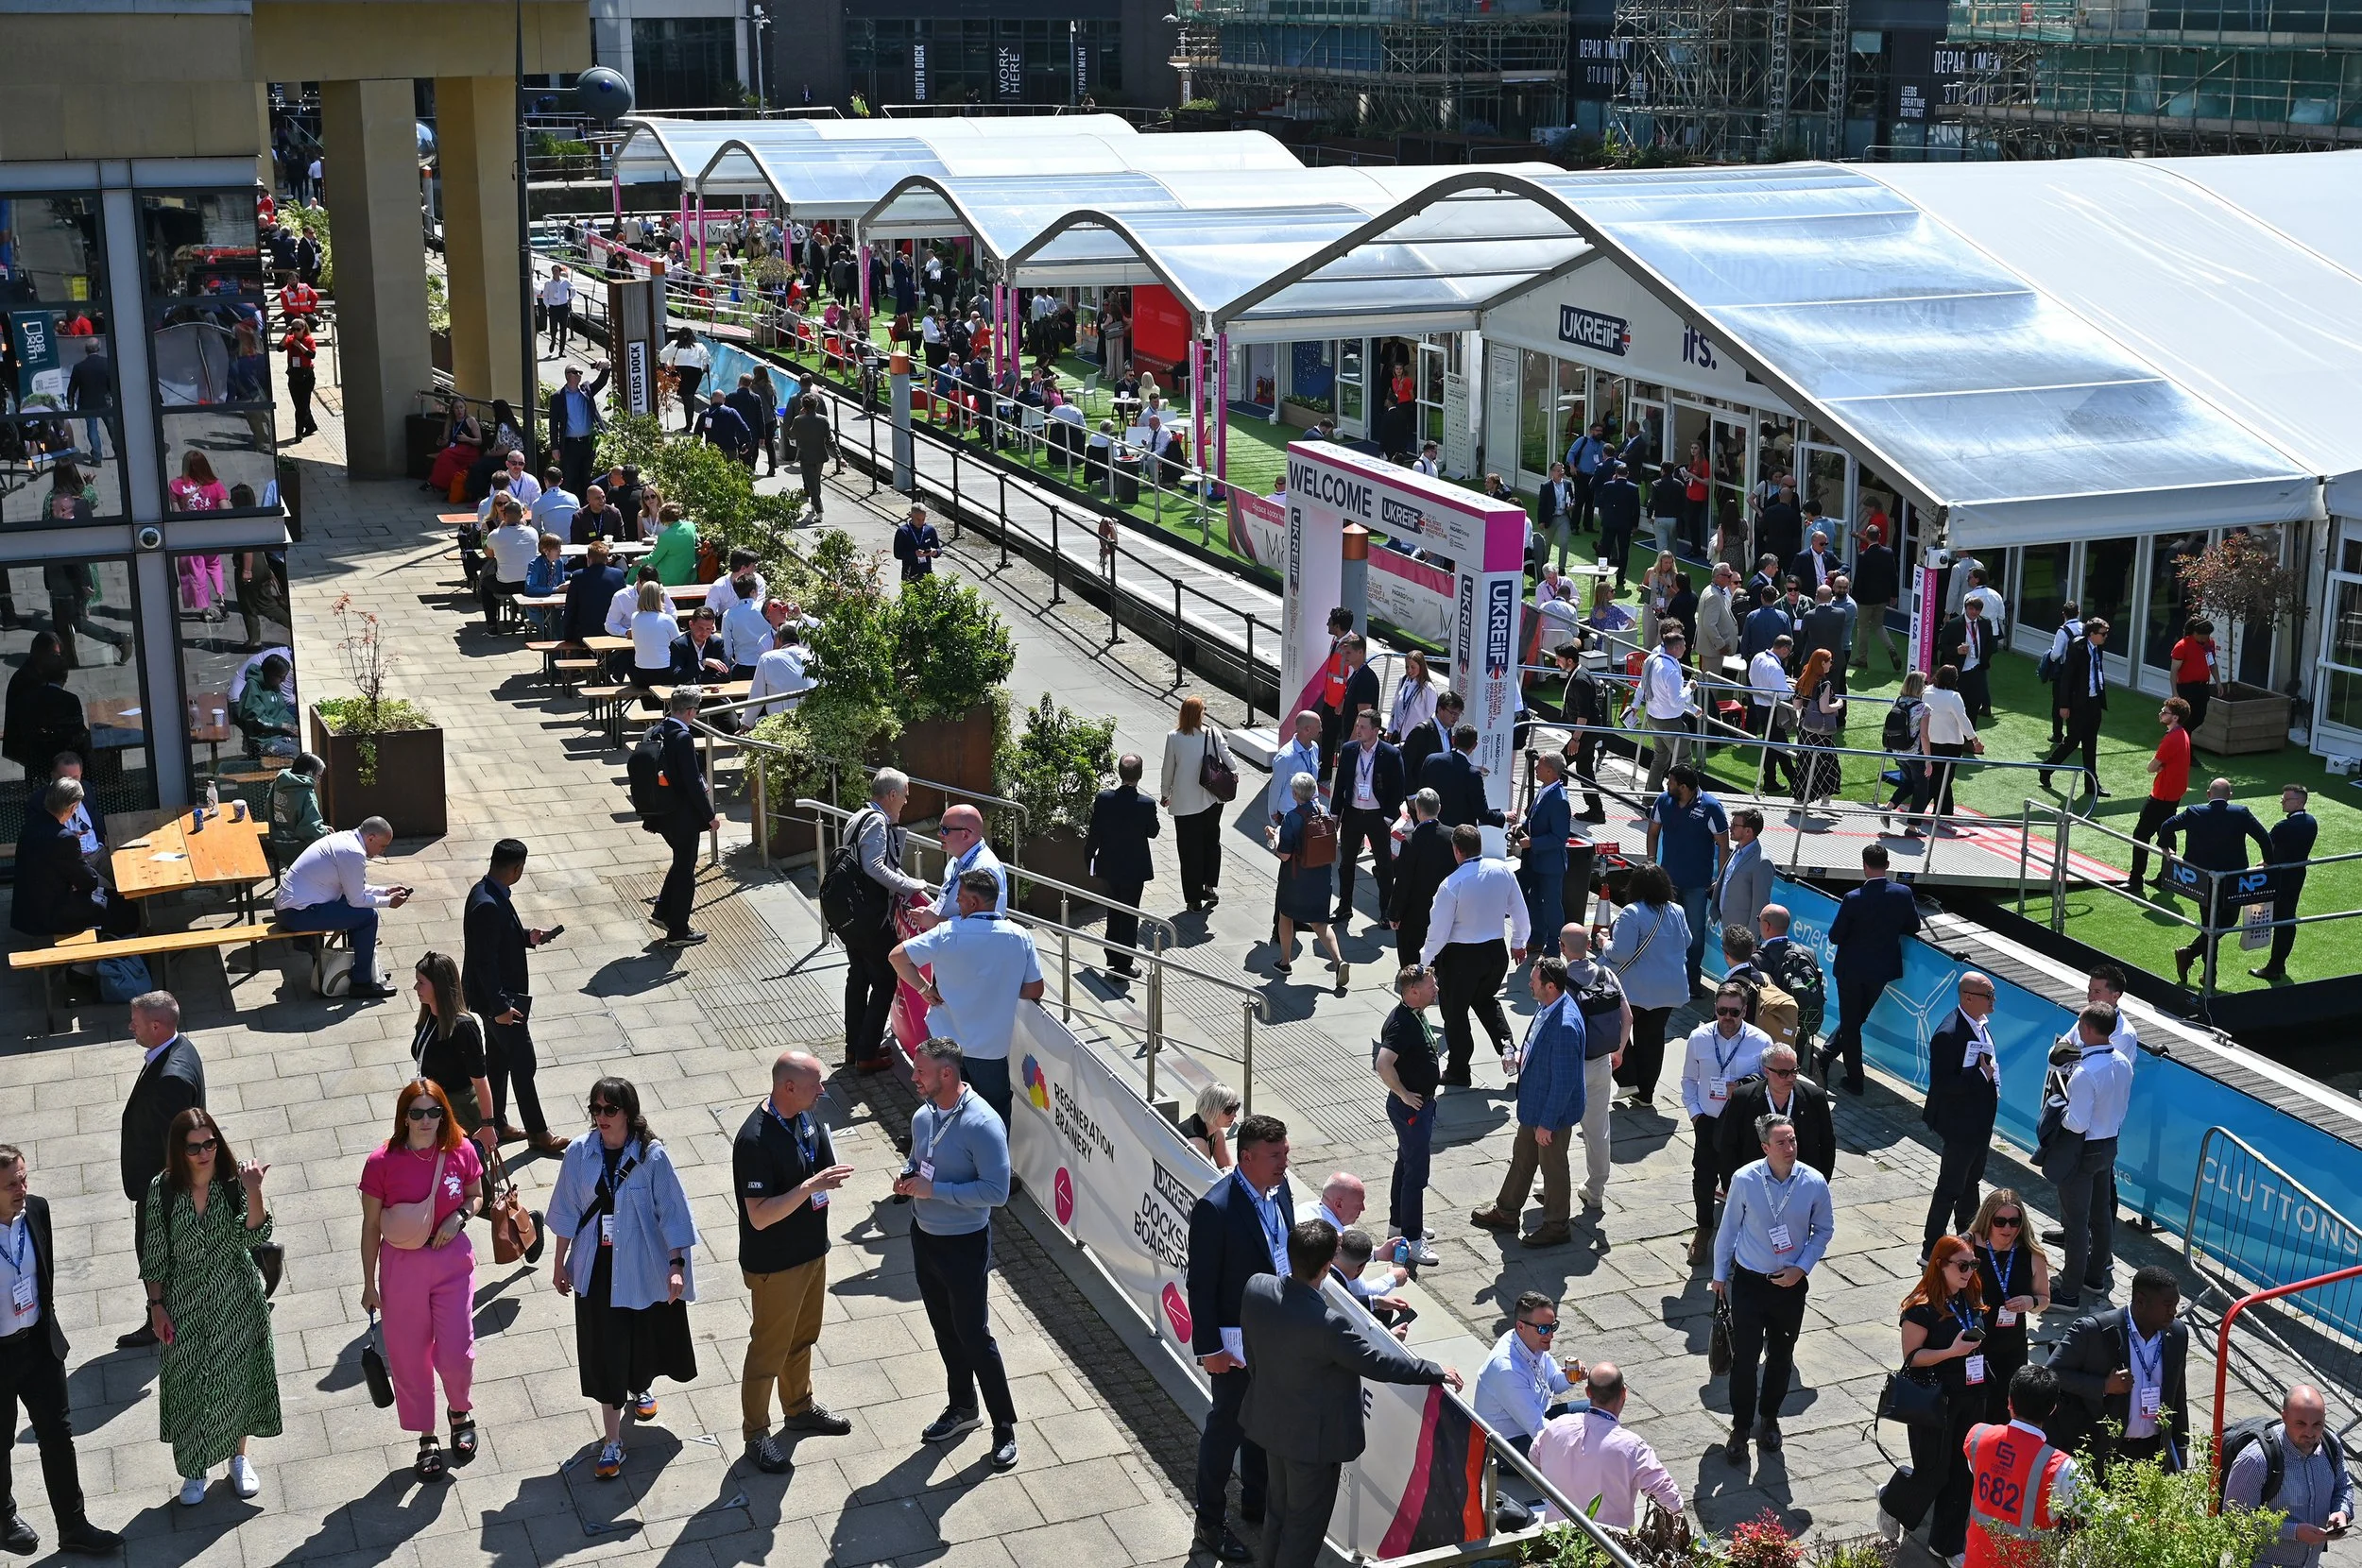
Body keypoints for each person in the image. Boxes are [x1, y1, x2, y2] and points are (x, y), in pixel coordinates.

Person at [1239, 1220, 1460, 1568]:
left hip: (1270, 1424)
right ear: (1327, 1268)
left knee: (1277, 1515)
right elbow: (1378, 1364)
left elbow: (1252, 1353)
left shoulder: (1257, 1287)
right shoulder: (1328, 1325)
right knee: (1302, 1530)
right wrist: (1433, 1370)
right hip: (1312, 1446)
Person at [546, 1077, 699, 1482]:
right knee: (606, 1350)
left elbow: (674, 1213)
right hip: (596, 1268)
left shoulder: (652, 1156)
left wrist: (677, 1267)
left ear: (628, 1113)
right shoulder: (579, 1153)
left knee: (641, 1336)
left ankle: (640, 1386)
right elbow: (565, 1211)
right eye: (595, 1109)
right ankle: (613, 1441)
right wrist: (560, 1263)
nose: (601, 1117)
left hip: (642, 1265)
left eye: (609, 1110)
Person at [893, 1039, 1021, 1472]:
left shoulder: (982, 1124)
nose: (914, 1077)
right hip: (924, 1236)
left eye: (921, 1071)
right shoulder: (924, 1116)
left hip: (964, 1244)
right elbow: (920, 1162)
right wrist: (910, 1179)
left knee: (974, 1336)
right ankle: (962, 1406)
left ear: (946, 1074)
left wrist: (935, 1190)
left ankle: (1004, 1426)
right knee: (944, 1329)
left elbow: (996, 1192)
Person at [140, 1109, 280, 1505]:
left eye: (210, 1143)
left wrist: (254, 1190)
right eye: (194, 1146)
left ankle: (239, 1458)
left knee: (237, 1378)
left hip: (235, 1299)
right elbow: (154, 1253)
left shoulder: (232, 1183)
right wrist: (156, 1305)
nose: (204, 1152)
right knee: (186, 1385)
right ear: (179, 1150)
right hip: (182, 1302)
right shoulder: (164, 1189)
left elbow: (256, 1235)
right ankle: (193, 1470)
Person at [735, 1051, 858, 1474]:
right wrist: (809, 1187)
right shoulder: (754, 1139)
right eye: (814, 1084)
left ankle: (799, 1408)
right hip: (776, 1263)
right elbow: (760, 1214)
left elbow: (820, 1165)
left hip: (811, 1251)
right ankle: (756, 1434)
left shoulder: (807, 1118)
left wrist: (824, 1181)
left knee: (803, 1337)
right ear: (788, 1087)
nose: (823, 1090)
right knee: (768, 1350)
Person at [357, 1080, 484, 1481]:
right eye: (417, 1113)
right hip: (402, 1267)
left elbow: (476, 1194)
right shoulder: (382, 1162)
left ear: (444, 1114)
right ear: (404, 1117)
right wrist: (368, 1285)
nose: (426, 1121)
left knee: (457, 1351)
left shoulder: (460, 1149)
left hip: (451, 1262)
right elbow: (370, 1227)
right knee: (410, 1358)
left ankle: (459, 1410)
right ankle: (426, 1436)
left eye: (434, 1112)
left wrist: (460, 1216)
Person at [0, 1145, 120, 1554]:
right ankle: (3, 1516)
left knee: (58, 1436)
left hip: (38, 1345)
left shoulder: (37, 1210)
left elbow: (44, 1275)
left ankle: (73, 1526)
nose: (22, 1189)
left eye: (24, 1178)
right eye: (11, 1184)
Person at [1188, 1112, 1294, 1562]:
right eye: (1275, 1156)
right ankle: (1209, 1524)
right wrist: (1210, 1349)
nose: (1283, 1164)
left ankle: (1256, 1502)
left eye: (1286, 1154)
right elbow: (1201, 1285)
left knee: (1264, 1424)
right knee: (1226, 1428)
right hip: (1234, 1344)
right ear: (1245, 1157)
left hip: (1277, 1337)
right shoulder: (1216, 1208)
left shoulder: (1280, 1190)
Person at [1711, 1115, 1834, 1465]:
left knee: (1781, 1356)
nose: (1790, 1147)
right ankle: (1740, 1425)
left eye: (1793, 1140)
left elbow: (1824, 1229)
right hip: (1750, 1282)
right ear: (1766, 1147)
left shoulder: (1813, 1181)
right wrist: (1720, 1275)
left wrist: (1801, 1268)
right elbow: (1729, 1228)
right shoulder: (1745, 1179)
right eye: (1781, 1142)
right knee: (1745, 1360)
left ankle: (1769, 1419)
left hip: (1790, 1287)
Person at [893, 870, 1045, 1126]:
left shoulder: (946, 933)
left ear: (973, 903)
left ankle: (946, 1161)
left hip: (944, 1041)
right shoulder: (1020, 936)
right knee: (993, 1114)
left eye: (960, 898)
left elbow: (897, 957)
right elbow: (1034, 990)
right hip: (990, 1048)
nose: (957, 904)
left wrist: (924, 989)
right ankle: (992, 1164)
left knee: (942, 1109)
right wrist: (1003, 988)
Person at [1875, 1238, 1989, 1562]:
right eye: (1962, 1266)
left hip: (1971, 1393)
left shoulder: (1969, 1297)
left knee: (1963, 1471)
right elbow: (1912, 1358)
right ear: (1941, 1265)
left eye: (1974, 1265)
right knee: (1934, 1470)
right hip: (1935, 1401)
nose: (1969, 1272)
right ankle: (1891, 1500)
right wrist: (1951, 1352)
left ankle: (1947, 1544)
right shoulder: (1920, 1308)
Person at [1470, 959, 1587, 1248]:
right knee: (1523, 1157)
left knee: (1554, 1169)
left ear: (1550, 986)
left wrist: (1547, 1124)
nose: (1529, 984)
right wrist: (1521, 1057)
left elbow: (1563, 1082)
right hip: (1535, 1107)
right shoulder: (1548, 1006)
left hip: (1551, 1115)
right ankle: (1507, 1212)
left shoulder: (1564, 1025)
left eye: (1534, 981)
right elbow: (1540, 1049)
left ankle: (1557, 1225)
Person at [462, 840, 567, 1155]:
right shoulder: (488, 904)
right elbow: (485, 962)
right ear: (517, 868)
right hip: (500, 1002)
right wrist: (501, 1008)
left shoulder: (485, 891)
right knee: (524, 1063)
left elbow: (494, 943)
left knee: (498, 1060)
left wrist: (526, 937)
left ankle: (495, 1123)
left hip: (493, 1000)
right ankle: (538, 1133)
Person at [2045, 1265, 2189, 1474]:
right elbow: (2052, 1374)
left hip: (2154, 1453)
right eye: (2167, 1305)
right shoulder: (2092, 1331)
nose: (2173, 1312)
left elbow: (2178, 1392)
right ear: (2140, 1301)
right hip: (2104, 1451)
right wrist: (2103, 1386)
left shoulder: (2176, 1334)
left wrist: (2181, 1443)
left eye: (2175, 1304)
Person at [1421, 824, 1531, 1085]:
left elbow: (1438, 931)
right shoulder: (1503, 871)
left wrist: (1424, 961)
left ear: (1456, 850)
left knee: (1455, 1014)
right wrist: (1519, 942)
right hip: (1495, 953)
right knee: (1485, 1000)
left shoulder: (1451, 884)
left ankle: (1459, 1069)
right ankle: (1508, 1048)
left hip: (1461, 959)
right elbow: (1521, 913)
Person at [2042, 1002, 2134, 1310]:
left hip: (2083, 1150)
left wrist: (2059, 1110)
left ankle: (2068, 1293)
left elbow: (2077, 1123)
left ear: (2089, 1029)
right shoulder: (2122, 1061)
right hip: (2109, 1145)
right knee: (2102, 1215)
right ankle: (2094, 1279)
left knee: (2076, 1223)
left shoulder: (2084, 1073)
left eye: (2080, 1024)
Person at [1681, 982, 1772, 1264]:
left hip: (1741, 1125)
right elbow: (1688, 1080)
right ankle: (1704, 1230)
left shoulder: (1760, 1041)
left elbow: (1768, 1082)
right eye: (1722, 1011)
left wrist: (1743, 1086)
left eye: (1735, 1012)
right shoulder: (1699, 1037)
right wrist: (1695, 1114)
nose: (1728, 1018)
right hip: (1707, 1119)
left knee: (1739, 1182)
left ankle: (1740, 1237)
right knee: (1703, 1178)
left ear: (1745, 1010)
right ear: (1715, 1009)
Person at [1531, 1364, 1683, 1531]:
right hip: (1609, 1545)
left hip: (1556, 1535)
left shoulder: (1557, 1426)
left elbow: (1534, 1456)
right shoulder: (1633, 1448)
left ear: (1588, 1392)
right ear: (1624, 1393)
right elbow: (1670, 1501)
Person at [273, 816, 411, 998]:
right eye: (382, 846)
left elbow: (354, 890)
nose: (381, 852)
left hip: (291, 908)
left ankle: (364, 969)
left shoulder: (346, 840)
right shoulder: (353, 852)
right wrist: (389, 902)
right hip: (297, 914)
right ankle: (361, 982)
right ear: (371, 838)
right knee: (368, 917)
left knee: (360, 913)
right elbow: (356, 899)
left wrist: (386, 892)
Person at [1821, 844, 1920, 1095]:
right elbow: (1914, 926)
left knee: (1852, 1024)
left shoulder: (1853, 898)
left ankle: (1855, 1080)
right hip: (1881, 971)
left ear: (1864, 866)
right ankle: (1828, 1053)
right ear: (1887, 865)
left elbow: (1835, 936)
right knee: (1856, 1019)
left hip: (1851, 971)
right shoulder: (1903, 893)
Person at [1960, 1365, 2080, 1568]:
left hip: (1976, 1560)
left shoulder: (1978, 1437)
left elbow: (1977, 1470)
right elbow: (2100, 1514)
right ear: (2052, 1409)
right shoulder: (2061, 1467)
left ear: (2009, 1402)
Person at [2160, 777, 2276, 987]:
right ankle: (2205, 970)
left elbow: (2167, 826)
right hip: (2232, 879)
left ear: (2208, 794)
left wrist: (2166, 848)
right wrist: (2268, 860)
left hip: (2201, 878)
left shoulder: (2195, 811)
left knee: (2209, 924)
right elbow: (2264, 837)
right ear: (2230, 795)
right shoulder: (2240, 813)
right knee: (2223, 923)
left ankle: (2198, 961)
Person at [2224, 1385, 2353, 1567]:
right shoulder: (2256, 1460)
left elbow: (2343, 1487)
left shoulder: (2331, 1445)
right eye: (2300, 1424)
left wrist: (2342, 1511)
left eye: (2317, 1424)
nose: (2310, 1433)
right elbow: (2236, 1520)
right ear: (2284, 1417)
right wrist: (2293, 1532)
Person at [1920, 970, 2002, 1258]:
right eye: (1988, 995)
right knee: (1951, 1187)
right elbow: (1943, 1085)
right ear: (1968, 997)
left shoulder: (1980, 1024)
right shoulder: (1948, 1034)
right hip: (1961, 1125)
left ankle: (1968, 1239)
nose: (1994, 1000)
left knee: (1971, 1183)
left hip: (1979, 1124)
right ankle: (1931, 1247)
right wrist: (1981, 1076)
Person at [1604, 862, 1690, 1108]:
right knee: (1652, 1039)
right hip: (1669, 988)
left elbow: (1620, 953)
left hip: (1635, 988)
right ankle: (1645, 1093)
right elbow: (1688, 941)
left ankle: (1627, 1078)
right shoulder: (1676, 910)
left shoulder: (1632, 912)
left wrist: (1603, 943)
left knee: (1613, 1031)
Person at [1373, 966, 1442, 1265]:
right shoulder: (1402, 1023)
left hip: (1420, 1106)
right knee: (1416, 1172)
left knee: (1405, 1163)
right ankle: (1412, 1239)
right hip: (1411, 1109)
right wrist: (1403, 1093)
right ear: (1413, 991)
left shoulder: (1414, 1013)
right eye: (1431, 984)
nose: (1436, 987)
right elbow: (1383, 1063)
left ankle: (1398, 1225)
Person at [11, 778, 137, 939]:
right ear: (71, 808)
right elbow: (89, 881)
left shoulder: (32, 824)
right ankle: (109, 957)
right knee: (126, 909)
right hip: (51, 915)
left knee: (111, 901)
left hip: (27, 910)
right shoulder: (64, 839)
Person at [1965, 1191, 2050, 1425]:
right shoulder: (1969, 1247)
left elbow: (2044, 1298)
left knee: (2005, 1408)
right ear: (1987, 1219)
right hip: (1974, 1340)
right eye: (2000, 1221)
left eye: (2015, 1222)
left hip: (2010, 1345)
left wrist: (2030, 1302)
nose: (2008, 1228)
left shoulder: (2031, 1254)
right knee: (1972, 1407)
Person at [1646, 764, 1729, 997]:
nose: (1666, 785)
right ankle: (1664, 977)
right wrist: (1651, 863)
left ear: (1683, 787)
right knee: (1664, 931)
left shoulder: (1711, 808)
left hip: (1696, 885)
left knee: (1694, 934)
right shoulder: (1663, 801)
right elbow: (1652, 832)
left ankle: (1692, 982)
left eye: (1670, 781)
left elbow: (1724, 844)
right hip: (1667, 883)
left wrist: (1720, 880)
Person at [643, 690, 717, 947]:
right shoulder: (683, 737)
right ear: (690, 711)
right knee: (686, 870)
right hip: (682, 815)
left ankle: (663, 911)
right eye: (696, 711)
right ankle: (678, 930)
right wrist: (709, 816)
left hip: (660, 814)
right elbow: (692, 783)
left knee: (681, 860)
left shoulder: (656, 731)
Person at [1472, 1289, 1585, 1455]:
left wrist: (1570, 1377)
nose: (1551, 1335)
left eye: (1553, 1326)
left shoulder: (1529, 1341)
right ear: (1521, 1326)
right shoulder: (1507, 1370)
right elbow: (1539, 1430)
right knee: (1579, 1445)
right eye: (1543, 1329)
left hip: (1532, 1422)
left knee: (1595, 1413)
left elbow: (1554, 1381)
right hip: (1505, 1447)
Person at [408, 950, 497, 1157]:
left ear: (438, 986)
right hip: (433, 1106)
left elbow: (480, 1081)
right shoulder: (428, 1017)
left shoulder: (463, 1028)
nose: (415, 988)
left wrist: (488, 1125)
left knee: (469, 1175)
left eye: (421, 983)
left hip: (460, 1111)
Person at [1085, 753, 1159, 976]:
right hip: (1134, 869)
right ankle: (1123, 964)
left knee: (1114, 909)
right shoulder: (1146, 804)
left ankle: (1112, 954)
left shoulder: (1104, 799)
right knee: (1129, 913)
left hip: (1109, 866)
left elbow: (1094, 833)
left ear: (1120, 772)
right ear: (1140, 775)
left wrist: (1088, 860)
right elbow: (1153, 832)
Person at [1270, 774, 1345, 989]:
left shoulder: (1293, 817)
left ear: (1295, 794)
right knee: (1320, 923)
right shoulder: (1324, 811)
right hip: (1321, 877)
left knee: (1286, 915)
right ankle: (1339, 961)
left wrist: (1274, 837)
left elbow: (1284, 854)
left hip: (1296, 877)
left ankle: (1285, 962)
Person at [1718, 1043, 1835, 1182]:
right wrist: (1732, 1186)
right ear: (1766, 1071)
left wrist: (1820, 1184)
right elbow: (1728, 1144)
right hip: (1755, 1184)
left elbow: (1827, 1144)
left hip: (1802, 1184)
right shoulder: (1743, 1098)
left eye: (1794, 1071)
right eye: (1783, 1073)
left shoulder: (1815, 1097)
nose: (1791, 1078)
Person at [1333, 712, 1403, 928]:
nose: (1358, 730)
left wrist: (1388, 818)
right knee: (1346, 863)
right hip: (1353, 814)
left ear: (1375, 730)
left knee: (1383, 865)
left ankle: (1386, 910)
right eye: (1357, 725)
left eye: (1363, 726)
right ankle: (1344, 906)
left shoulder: (1390, 754)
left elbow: (1399, 788)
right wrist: (1335, 815)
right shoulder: (1349, 750)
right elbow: (1340, 785)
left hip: (1377, 817)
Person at [1162, 694, 1230, 913]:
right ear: (1200, 714)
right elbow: (1232, 762)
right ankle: (1209, 887)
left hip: (1184, 804)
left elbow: (1168, 770)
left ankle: (1193, 899)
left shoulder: (1174, 737)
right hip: (1212, 799)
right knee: (1211, 844)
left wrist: (1165, 793)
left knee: (1189, 851)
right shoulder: (1213, 733)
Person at [2252, 785, 2319, 982]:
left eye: (2286, 799)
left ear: (2299, 802)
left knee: (2282, 920)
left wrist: (2265, 863)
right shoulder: (2311, 822)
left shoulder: (2283, 826)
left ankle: (2273, 967)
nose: (2282, 802)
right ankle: (2279, 963)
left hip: (2280, 877)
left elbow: (2269, 849)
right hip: (2297, 875)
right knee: (2288, 918)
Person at [2039, 618, 2111, 800]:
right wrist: (2064, 705)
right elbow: (2067, 678)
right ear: (2091, 634)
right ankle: (2047, 768)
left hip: (2094, 702)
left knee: (2090, 743)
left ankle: (2091, 784)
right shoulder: (2077, 648)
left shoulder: (2098, 647)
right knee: (2072, 741)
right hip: (2078, 703)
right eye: (2102, 634)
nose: (2105, 637)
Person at [1389, 790, 1452, 964]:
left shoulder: (1411, 841)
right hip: (1444, 912)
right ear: (1439, 808)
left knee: (1413, 963)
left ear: (1417, 810)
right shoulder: (1452, 836)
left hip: (1415, 914)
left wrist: (1395, 913)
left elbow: (1403, 882)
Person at [1914, 664, 1981, 828]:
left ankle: (1944, 810)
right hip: (1950, 744)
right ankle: (1924, 809)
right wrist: (1975, 740)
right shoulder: (1953, 696)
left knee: (1935, 777)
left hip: (1929, 741)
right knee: (1943, 778)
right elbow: (1963, 719)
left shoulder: (1926, 691)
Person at [1518, 753, 1573, 955]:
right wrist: (1521, 827)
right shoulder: (1545, 790)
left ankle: (1553, 946)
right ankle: (1537, 937)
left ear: (1550, 771)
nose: (1536, 769)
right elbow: (1533, 819)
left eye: (1539, 767)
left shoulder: (1559, 800)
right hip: (1536, 861)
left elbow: (1559, 837)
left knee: (1551, 905)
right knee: (1534, 899)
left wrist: (1532, 842)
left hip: (1550, 865)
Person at [1636, 626, 1697, 795]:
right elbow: (1676, 699)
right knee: (1683, 761)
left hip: (1653, 718)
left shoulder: (1653, 661)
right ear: (1676, 648)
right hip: (1670, 722)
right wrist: (1690, 688)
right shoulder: (1670, 670)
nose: (1686, 648)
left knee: (1660, 758)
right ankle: (1680, 796)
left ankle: (1650, 795)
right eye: (1684, 645)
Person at [1418, 723, 1498, 830]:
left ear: (1453, 739)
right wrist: (1505, 817)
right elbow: (1483, 814)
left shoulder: (1431, 760)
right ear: (1475, 745)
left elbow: (1422, 793)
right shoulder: (1473, 774)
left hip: (1432, 830)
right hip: (1460, 836)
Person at [1939, 596, 1998, 724]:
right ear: (1965, 608)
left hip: (1977, 669)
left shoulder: (1985, 623)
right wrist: (1957, 650)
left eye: (1977, 609)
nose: (1974, 612)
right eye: (1971, 609)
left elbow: (1990, 644)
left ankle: (1970, 737)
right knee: (1956, 705)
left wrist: (1985, 658)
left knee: (1974, 704)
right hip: (1959, 671)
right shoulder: (1953, 624)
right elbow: (1941, 645)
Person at [1717, 808, 1772, 941]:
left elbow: (1760, 905)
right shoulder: (1737, 851)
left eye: (1735, 825)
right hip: (1729, 928)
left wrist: (1751, 940)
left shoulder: (1762, 862)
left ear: (1748, 831)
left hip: (1743, 936)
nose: (1730, 828)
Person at [1267, 710, 1325, 831]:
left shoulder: (1314, 747)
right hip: (1290, 813)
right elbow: (1276, 787)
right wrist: (1273, 813)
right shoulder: (1285, 757)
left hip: (1310, 811)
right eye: (1318, 726)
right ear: (1307, 729)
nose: (1321, 729)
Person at [561, 539, 625, 646]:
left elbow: (570, 608)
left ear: (588, 558)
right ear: (607, 559)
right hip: (613, 632)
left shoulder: (578, 576)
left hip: (584, 634)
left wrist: (567, 636)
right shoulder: (618, 575)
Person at [2169, 617, 2221, 735]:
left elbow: (2212, 663)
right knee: (2187, 719)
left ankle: (2182, 740)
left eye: (2208, 635)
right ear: (2195, 633)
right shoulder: (2182, 646)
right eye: (2204, 636)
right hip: (2186, 688)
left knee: (2199, 718)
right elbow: (2174, 672)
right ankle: (2184, 746)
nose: (2206, 638)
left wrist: (2218, 681)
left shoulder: (2209, 643)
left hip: (2202, 687)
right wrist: (2175, 693)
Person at [1185, 1083, 1242, 1171]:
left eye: (1236, 1107)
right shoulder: (1198, 1143)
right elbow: (1207, 1178)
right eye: (1228, 1110)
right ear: (1210, 1110)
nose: (1234, 1115)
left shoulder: (1216, 1131)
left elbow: (1228, 1167)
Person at [660, 329, 708, 430]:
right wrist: (704, 369)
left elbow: (663, 354)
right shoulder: (699, 346)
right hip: (695, 373)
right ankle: (689, 423)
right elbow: (706, 358)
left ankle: (689, 423)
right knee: (689, 396)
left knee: (687, 397)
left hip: (681, 371)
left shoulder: (675, 344)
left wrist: (664, 366)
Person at [643, 503, 700, 587]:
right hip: (689, 576)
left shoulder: (665, 536)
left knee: (636, 570)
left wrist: (638, 561)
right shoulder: (691, 526)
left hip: (669, 579)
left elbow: (653, 559)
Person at [1389, 649, 1438, 740]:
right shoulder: (1403, 680)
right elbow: (1395, 706)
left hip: (1415, 739)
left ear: (1421, 667)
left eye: (1413, 667)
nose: (1409, 670)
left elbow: (1432, 718)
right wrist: (1390, 728)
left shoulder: (1428, 689)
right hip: (1398, 736)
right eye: (1407, 667)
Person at [893, 504, 943, 581]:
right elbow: (897, 554)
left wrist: (936, 552)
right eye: (918, 519)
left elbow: (938, 548)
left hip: (926, 572)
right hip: (909, 573)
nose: (921, 522)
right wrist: (914, 554)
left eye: (923, 519)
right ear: (911, 516)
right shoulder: (903, 531)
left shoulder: (929, 530)